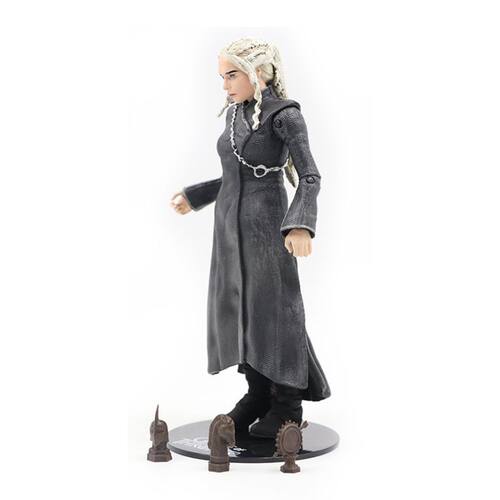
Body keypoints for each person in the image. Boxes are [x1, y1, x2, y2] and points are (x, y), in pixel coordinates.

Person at [170, 38, 331, 438]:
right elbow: (235, 174)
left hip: (267, 225)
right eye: (222, 77)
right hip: (229, 228)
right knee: (240, 310)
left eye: (231, 75)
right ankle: (258, 395)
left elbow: (310, 175)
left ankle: (287, 404)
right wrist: (196, 196)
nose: (225, 85)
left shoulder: (285, 116)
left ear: (257, 73)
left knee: (276, 311)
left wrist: (300, 223)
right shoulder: (236, 114)